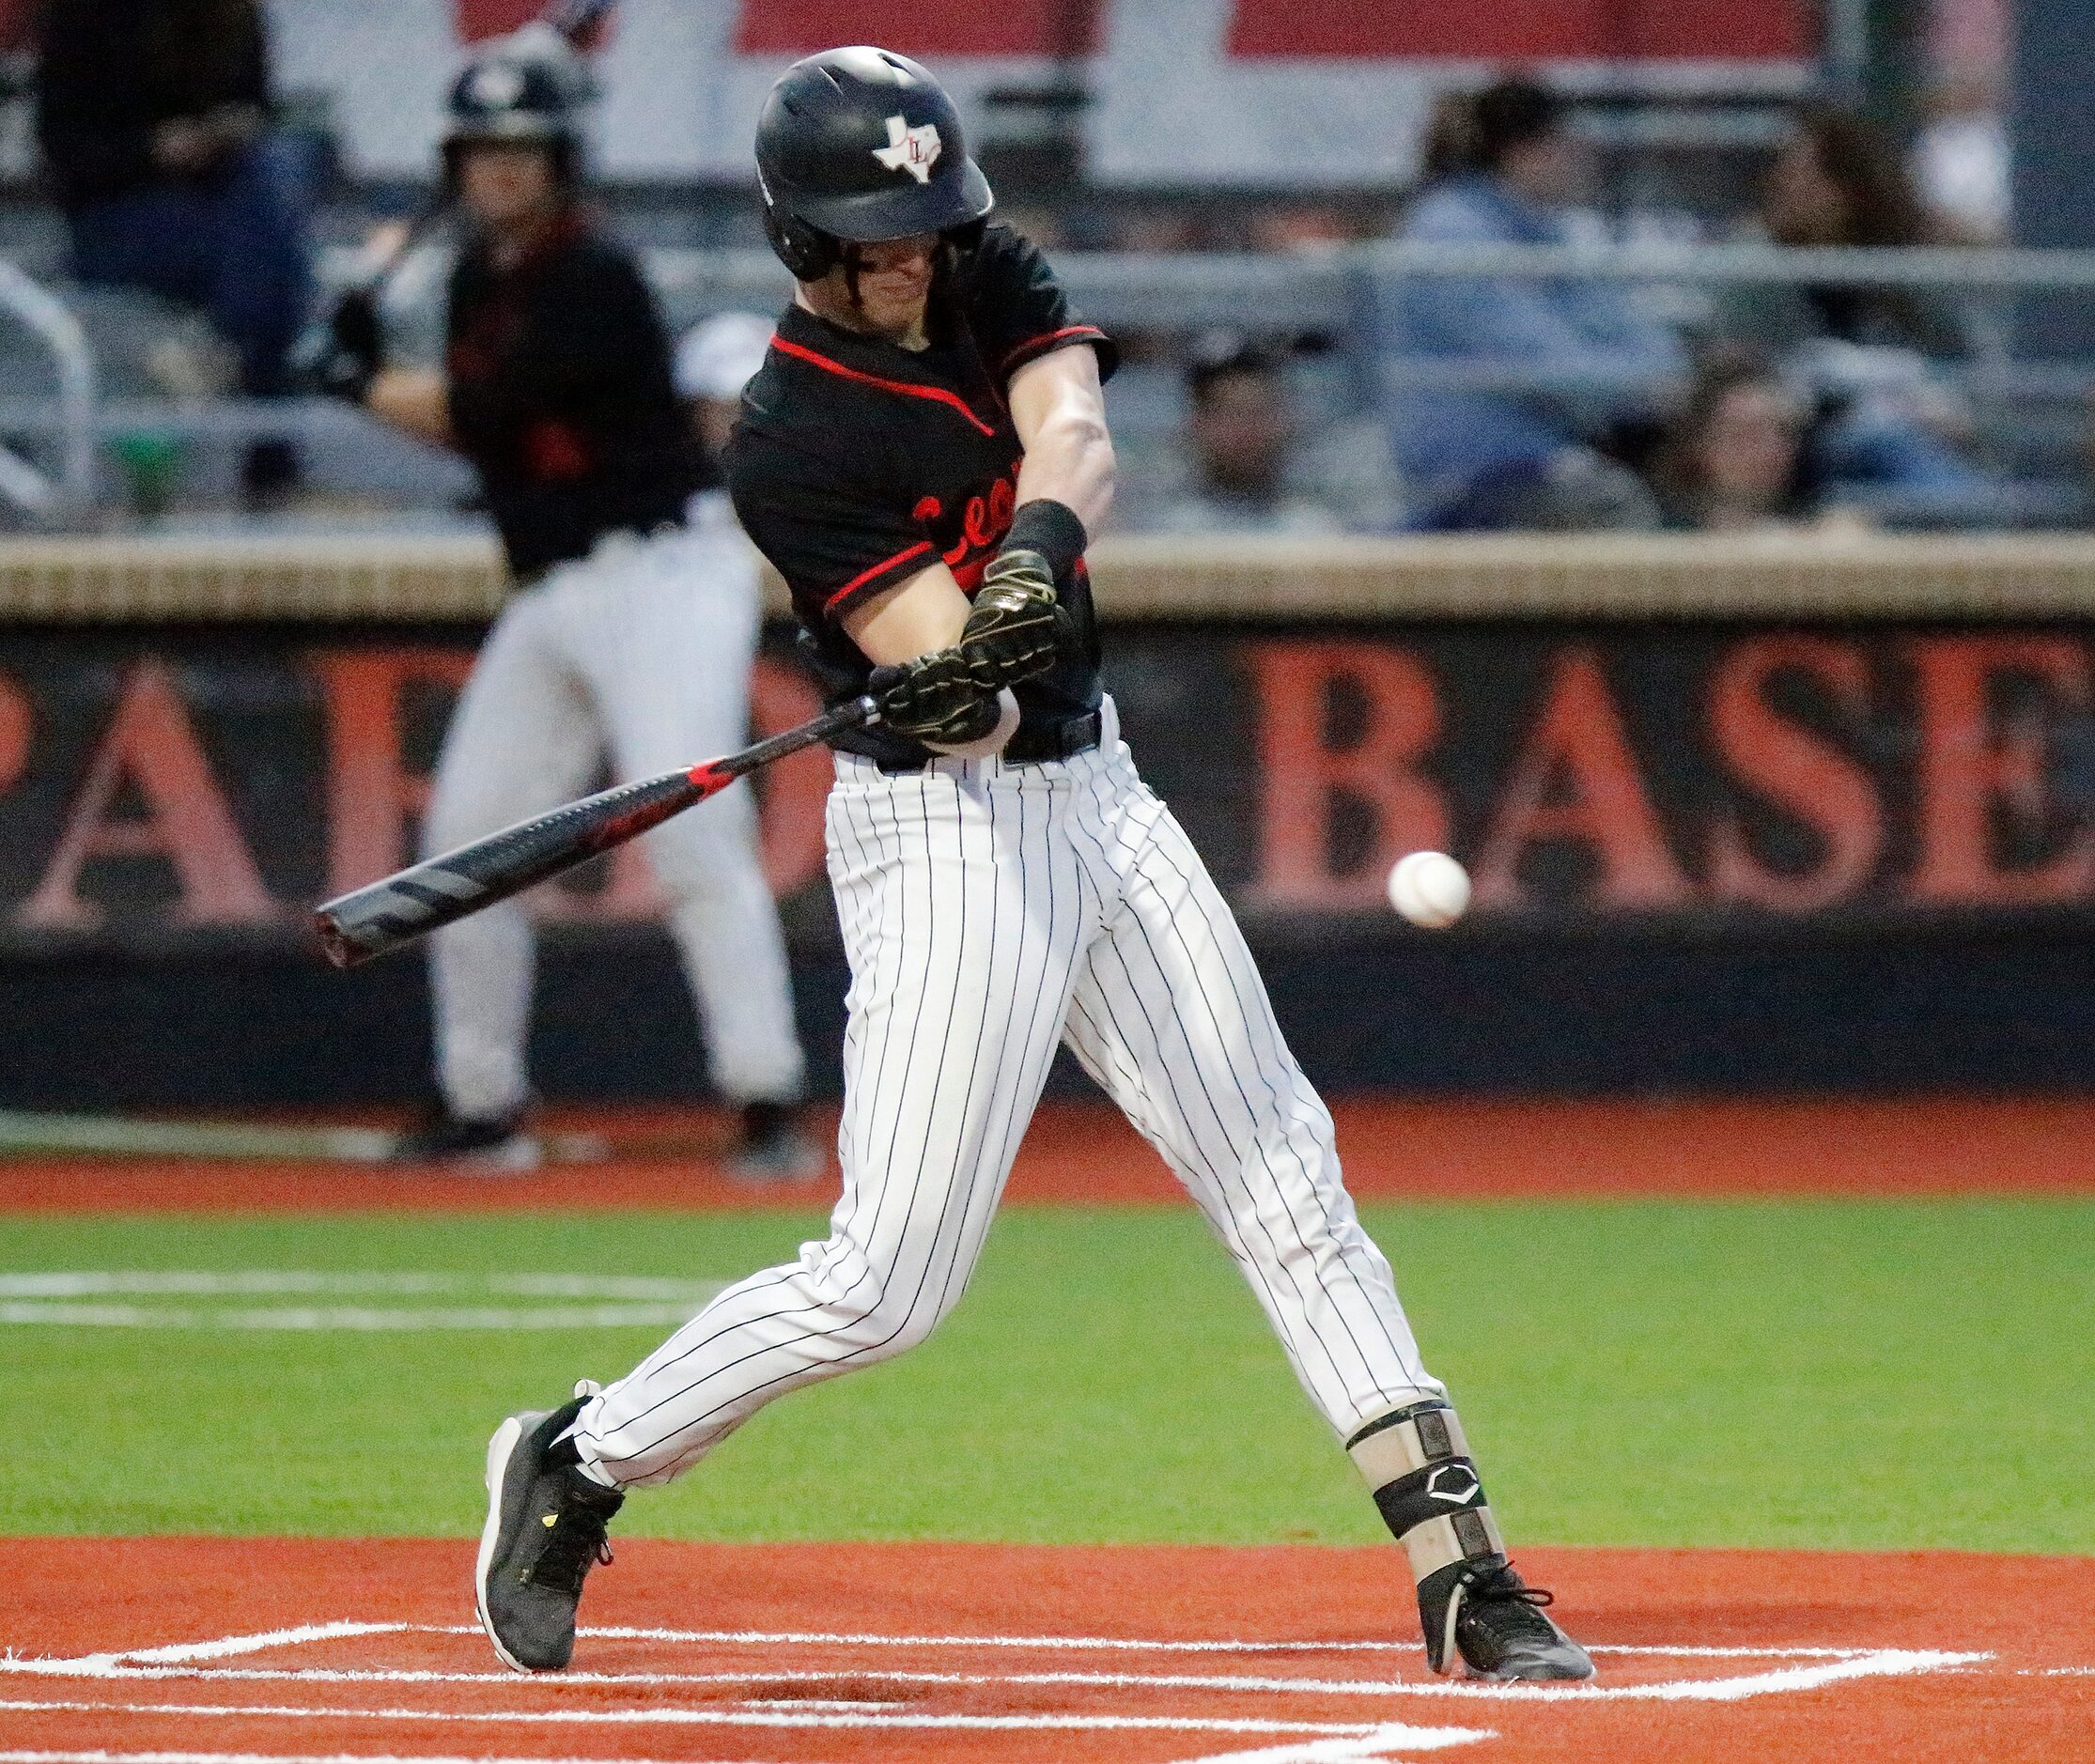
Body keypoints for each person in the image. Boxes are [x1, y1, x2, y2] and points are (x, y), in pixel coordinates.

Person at [471, 45, 1594, 1690]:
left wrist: (1030, 563)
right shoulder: (788, 440)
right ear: (803, 240)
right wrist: (965, 658)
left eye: (925, 221)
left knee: (1285, 1172)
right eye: (877, 234)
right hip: (947, 828)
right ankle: (582, 1455)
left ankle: (1463, 1567)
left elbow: (1071, 431)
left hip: (1104, 787)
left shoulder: (984, 262)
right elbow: (974, 713)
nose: (913, 253)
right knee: (888, 1283)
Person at [313, 27, 816, 1179]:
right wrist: (366, 372)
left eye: (522, 149)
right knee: (466, 846)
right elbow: (475, 423)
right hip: (554, 587)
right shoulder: (476, 281)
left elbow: (482, 414)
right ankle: (482, 1106)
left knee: (692, 828)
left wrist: (351, 378)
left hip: (662, 576)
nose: (500, 170)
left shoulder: (595, 273)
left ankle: (765, 1098)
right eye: (482, 150)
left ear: (560, 162)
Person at [34, 0, 313, 503]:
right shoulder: (83, 16)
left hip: (221, 206)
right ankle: (264, 427)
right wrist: (152, 150)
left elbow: (255, 108)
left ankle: (235, 363)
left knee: (281, 172)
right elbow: (63, 149)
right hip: (115, 215)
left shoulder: (235, 15)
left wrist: (222, 135)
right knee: (263, 248)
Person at [1383, 77, 1681, 531]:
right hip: (1470, 473)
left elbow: (1626, 329)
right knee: (1615, 511)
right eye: (1566, 148)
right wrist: (1645, 384)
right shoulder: (1448, 231)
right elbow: (1544, 365)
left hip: (1551, 454)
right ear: (1526, 152)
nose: (1577, 163)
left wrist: (1664, 379)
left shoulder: (1543, 228)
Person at [1137, 331, 1398, 534]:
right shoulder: (1169, 532)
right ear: (1196, 424)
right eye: (1230, 414)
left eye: (1259, 412)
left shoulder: (1313, 529)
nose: (1247, 431)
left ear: (1286, 419)